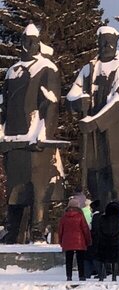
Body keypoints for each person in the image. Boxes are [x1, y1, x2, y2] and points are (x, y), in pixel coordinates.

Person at [0, 24, 63, 243]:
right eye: (24, 40)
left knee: (38, 188)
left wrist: (43, 132)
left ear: (38, 43)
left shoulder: (47, 68)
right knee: (14, 189)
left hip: (35, 138)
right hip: (13, 138)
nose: (28, 44)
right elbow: (3, 104)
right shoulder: (13, 70)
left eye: (32, 40)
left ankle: (38, 230)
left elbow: (51, 103)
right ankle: (12, 229)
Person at [67, 27, 119, 208]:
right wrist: (78, 101)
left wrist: (95, 122)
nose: (107, 45)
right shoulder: (89, 68)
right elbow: (72, 95)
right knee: (95, 184)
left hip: (116, 138)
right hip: (93, 142)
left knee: (116, 186)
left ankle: (116, 226)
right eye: (103, 41)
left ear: (116, 42)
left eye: (110, 41)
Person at [57, 199, 91, 282]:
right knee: (80, 259)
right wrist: (88, 240)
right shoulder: (80, 216)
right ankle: (82, 276)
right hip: (80, 241)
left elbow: (60, 230)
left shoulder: (64, 217)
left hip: (67, 240)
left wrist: (61, 241)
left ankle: (69, 276)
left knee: (69, 259)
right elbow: (85, 228)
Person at [94, 202, 119, 281]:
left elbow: (99, 229)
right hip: (115, 242)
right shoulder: (118, 219)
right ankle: (114, 276)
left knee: (102, 260)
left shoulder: (102, 218)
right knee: (114, 261)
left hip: (103, 242)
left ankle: (101, 276)